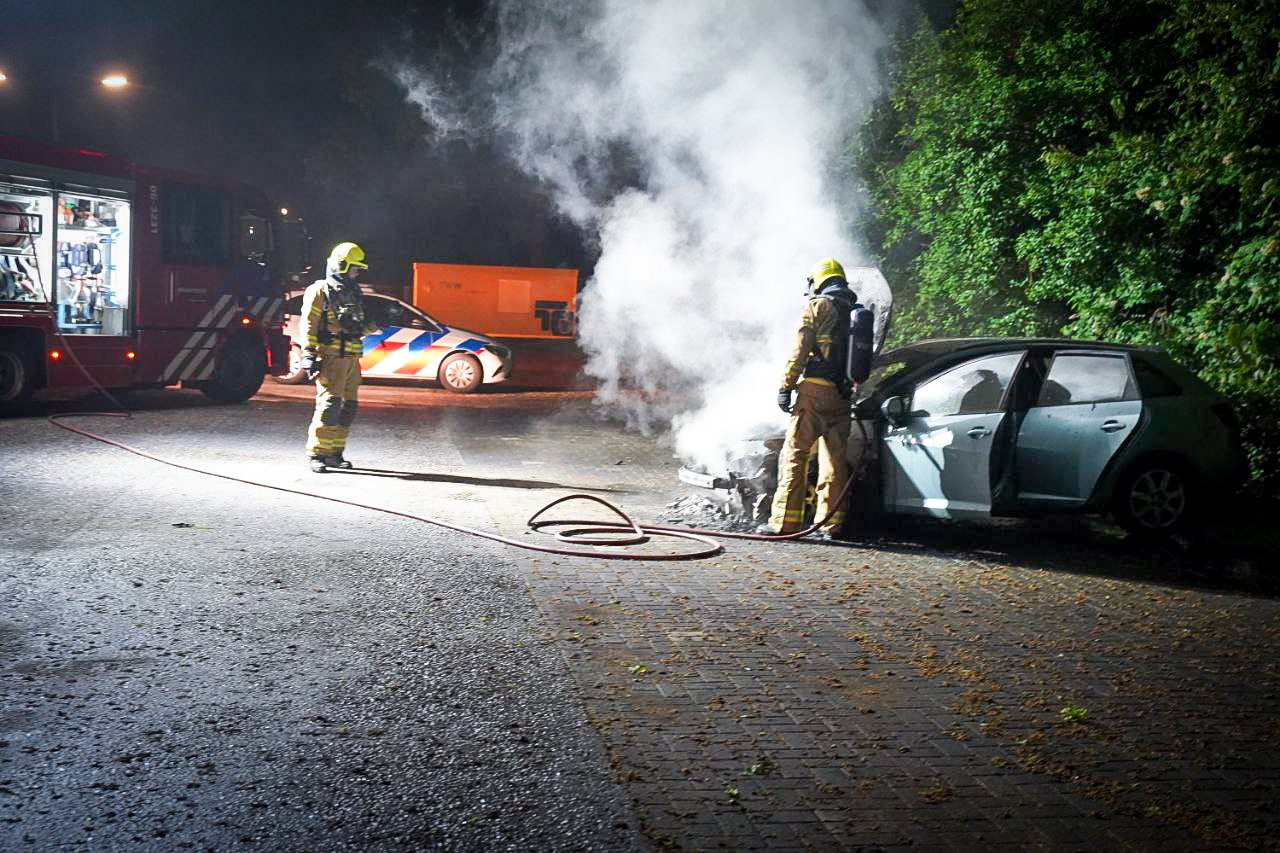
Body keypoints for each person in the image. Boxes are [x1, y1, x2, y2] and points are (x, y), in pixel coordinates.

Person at [764, 257, 859, 538]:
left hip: (814, 393)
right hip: (842, 397)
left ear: (819, 281)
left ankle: (784, 523)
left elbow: (800, 350)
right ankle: (831, 526)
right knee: (835, 461)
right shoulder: (855, 312)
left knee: (795, 454)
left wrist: (786, 385)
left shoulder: (817, 306)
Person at [300, 242, 375, 473]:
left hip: (352, 358)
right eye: (354, 269)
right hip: (331, 356)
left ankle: (335, 452)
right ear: (341, 266)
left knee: (348, 407)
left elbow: (354, 328)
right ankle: (318, 453)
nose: (356, 274)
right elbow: (309, 324)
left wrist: (371, 325)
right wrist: (309, 354)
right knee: (330, 405)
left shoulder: (352, 292)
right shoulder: (320, 290)